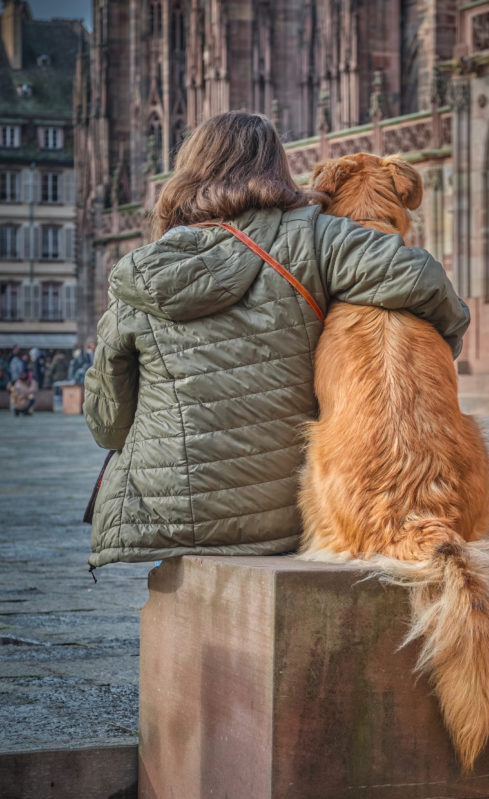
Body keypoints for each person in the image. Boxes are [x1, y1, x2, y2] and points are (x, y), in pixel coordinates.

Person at [83, 111, 469, 569]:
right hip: (292, 514)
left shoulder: (139, 273)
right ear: (276, 168)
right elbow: (424, 280)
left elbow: (107, 425)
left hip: (169, 517)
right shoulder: (316, 237)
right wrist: (446, 343)